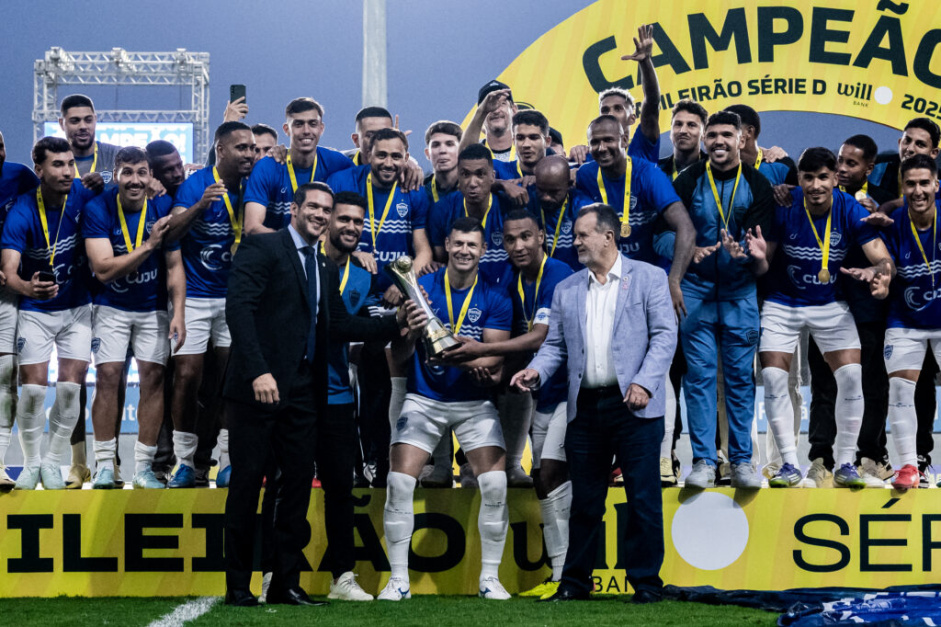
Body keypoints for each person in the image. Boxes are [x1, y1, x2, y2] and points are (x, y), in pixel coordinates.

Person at [222, 181, 414, 607]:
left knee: (295, 489)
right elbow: (239, 310)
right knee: (248, 484)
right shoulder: (263, 247)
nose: (321, 215)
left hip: (303, 393)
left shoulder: (322, 266)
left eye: (327, 209)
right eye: (314, 207)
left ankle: (286, 583)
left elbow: (340, 325)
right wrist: (258, 372)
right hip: (257, 390)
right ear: (293, 209)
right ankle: (237, 586)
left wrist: (396, 322)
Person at [511, 203, 676, 603]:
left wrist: (644, 384)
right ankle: (575, 583)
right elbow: (554, 346)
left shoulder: (650, 278)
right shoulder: (566, 287)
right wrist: (537, 371)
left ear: (608, 236)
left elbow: (665, 336)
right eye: (575, 235)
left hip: (636, 407)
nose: (576, 241)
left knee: (642, 500)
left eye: (583, 235)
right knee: (585, 501)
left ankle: (647, 585)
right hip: (584, 408)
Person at [381, 217, 513, 602]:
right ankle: (399, 580)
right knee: (399, 482)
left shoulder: (496, 295)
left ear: (483, 250)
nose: (465, 251)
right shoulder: (420, 288)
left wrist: (453, 349)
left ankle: (489, 579)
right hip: (425, 398)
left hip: (474, 403)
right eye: (458, 244)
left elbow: (491, 366)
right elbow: (401, 354)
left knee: (495, 484)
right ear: (447, 245)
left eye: (472, 245)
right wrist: (409, 328)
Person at [444, 210, 574, 599]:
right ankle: (561, 574)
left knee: (552, 473)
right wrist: (499, 371)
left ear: (542, 237)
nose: (518, 246)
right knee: (546, 480)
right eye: (510, 239)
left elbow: (540, 337)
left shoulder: (560, 275)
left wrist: (485, 351)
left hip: (572, 391)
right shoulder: (506, 277)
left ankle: (567, 573)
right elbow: (517, 339)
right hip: (541, 394)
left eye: (525, 237)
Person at [752, 147, 895, 488]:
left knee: (851, 376)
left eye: (822, 177)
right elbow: (765, 263)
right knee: (772, 379)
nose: (815, 185)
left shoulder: (849, 209)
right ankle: (789, 464)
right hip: (782, 303)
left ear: (834, 178)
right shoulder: (784, 205)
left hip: (830, 303)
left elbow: (884, 260)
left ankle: (846, 463)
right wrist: (757, 259)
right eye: (808, 177)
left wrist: (879, 275)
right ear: (798, 179)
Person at [673, 111, 773, 489]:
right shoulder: (688, 181)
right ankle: (702, 462)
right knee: (698, 379)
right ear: (703, 139)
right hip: (696, 292)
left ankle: (742, 461)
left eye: (726, 135)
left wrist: (749, 254)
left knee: (739, 380)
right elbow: (663, 236)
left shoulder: (758, 185)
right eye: (711, 134)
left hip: (739, 293)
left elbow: (762, 251)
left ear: (741, 139)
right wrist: (689, 250)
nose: (718, 141)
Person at [82, 147, 186, 489]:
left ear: (150, 175)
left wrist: (178, 313)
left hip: (152, 308)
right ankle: (104, 466)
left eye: (142, 172)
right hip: (110, 307)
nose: (135, 180)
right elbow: (103, 270)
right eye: (128, 172)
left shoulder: (161, 207)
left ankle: (143, 469)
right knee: (108, 377)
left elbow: (174, 266)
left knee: (153, 380)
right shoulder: (98, 208)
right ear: (116, 174)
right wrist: (147, 245)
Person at [1, 136, 99, 490]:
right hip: (35, 310)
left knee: (71, 390)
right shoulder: (24, 209)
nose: (67, 171)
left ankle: (53, 462)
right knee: (33, 393)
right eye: (57, 165)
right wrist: (27, 287)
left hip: (77, 307)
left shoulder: (85, 197)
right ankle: (30, 464)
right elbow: (9, 270)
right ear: (38, 170)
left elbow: (123, 197)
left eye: (70, 163)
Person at [164, 121, 254, 488]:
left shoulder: (255, 183)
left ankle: (228, 461)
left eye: (252, 148)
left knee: (233, 380)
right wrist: (200, 206)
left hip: (236, 300)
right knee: (186, 377)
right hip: (197, 298)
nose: (249, 154)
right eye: (241, 148)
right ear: (220, 150)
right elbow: (170, 234)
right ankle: (184, 462)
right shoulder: (196, 184)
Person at [314, 191, 377, 599]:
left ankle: (343, 578)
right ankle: (272, 574)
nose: (351, 227)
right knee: (288, 487)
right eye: (344, 220)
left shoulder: (365, 275)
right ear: (327, 221)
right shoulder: (304, 262)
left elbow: (355, 328)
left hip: (337, 394)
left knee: (340, 489)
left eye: (358, 221)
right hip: (296, 394)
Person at [878, 154, 941, 489]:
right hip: (905, 319)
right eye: (911, 184)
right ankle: (907, 467)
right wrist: (881, 279)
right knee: (901, 391)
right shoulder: (893, 223)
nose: (918, 191)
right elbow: (885, 263)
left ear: (936, 186)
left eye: (924, 183)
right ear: (902, 187)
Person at [244, 97, 354, 234]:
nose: (306, 130)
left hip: (321, 251)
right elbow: (252, 227)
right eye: (298, 124)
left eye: (313, 124)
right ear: (286, 129)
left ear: (321, 128)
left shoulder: (340, 164)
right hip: (275, 251)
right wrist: (296, 244)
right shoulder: (266, 167)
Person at [0, 130, 39, 489]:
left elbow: (38, 218)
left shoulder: (19, 176)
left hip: (6, 293)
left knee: (6, 375)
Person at [529, 155, 582, 271]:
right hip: (541, 280)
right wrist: (500, 184)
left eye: (554, 192)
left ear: (569, 185)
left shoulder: (582, 208)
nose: (546, 197)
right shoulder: (528, 198)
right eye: (541, 190)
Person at [59, 94, 119, 189]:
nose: (83, 126)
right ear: (62, 123)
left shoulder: (116, 155)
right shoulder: (54, 160)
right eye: (75, 121)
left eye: (88, 120)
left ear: (95, 120)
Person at [462, 80, 518, 162]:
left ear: (514, 109)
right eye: (489, 105)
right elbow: (462, 157)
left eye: (502, 103)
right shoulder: (474, 151)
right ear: (481, 114)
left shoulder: (528, 149)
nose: (495, 111)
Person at [659, 100, 708, 180]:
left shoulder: (718, 168)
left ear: (704, 133)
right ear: (671, 131)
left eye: (691, 125)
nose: (683, 131)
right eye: (678, 124)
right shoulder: (653, 170)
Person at [422, 121, 462, 204]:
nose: (442, 151)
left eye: (449, 144)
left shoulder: (472, 188)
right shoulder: (420, 190)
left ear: (461, 150)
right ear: (427, 153)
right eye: (436, 145)